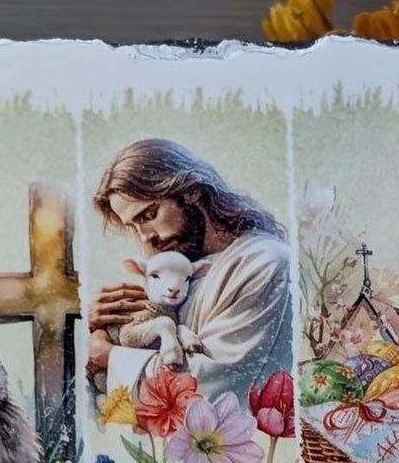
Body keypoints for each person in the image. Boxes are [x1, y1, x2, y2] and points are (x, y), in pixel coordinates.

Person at [88, 138, 293, 408]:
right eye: (133, 227)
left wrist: (109, 356)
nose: (146, 238)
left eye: (149, 215)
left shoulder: (264, 263)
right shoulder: (182, 269)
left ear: (191, 192)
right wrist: (103, 326)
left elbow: (212, 384)